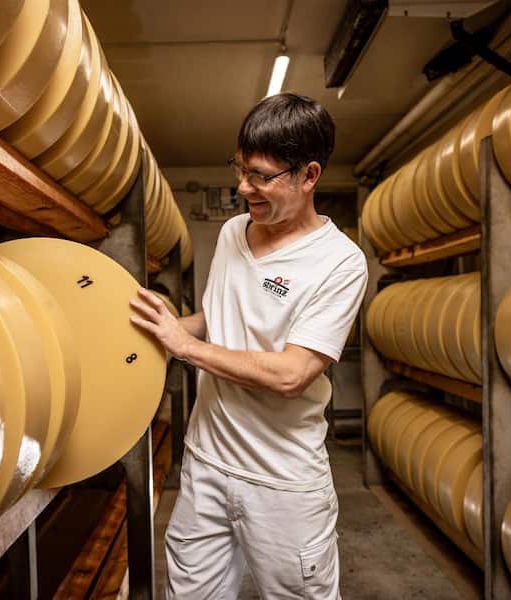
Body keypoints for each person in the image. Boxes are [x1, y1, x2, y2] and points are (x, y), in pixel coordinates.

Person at [129, 92, 368, 599]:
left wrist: (182, 347)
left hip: (280, 481)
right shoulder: (235, 231)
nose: (243, 188)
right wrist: (168, 324)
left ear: (309, 176)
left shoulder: (340, 263)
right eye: (240, 169)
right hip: (207, 462)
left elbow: (292, 374)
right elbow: (220, 322)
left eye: (261, 176)